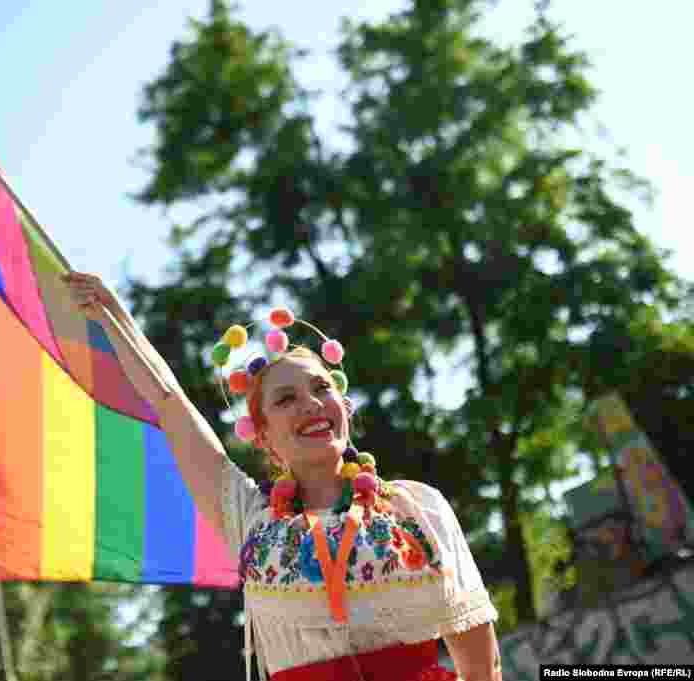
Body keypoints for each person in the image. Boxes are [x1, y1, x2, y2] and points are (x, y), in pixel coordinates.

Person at [64, 271, 501, 681]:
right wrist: (112, 314)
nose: (310, 404)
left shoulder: (416, 507)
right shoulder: (249, 519)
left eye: (321, 388)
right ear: (264, 436)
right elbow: (168, 399)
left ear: (344, 408)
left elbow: (481, 661)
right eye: (286, 399)